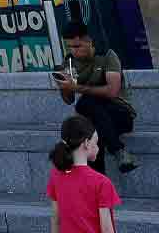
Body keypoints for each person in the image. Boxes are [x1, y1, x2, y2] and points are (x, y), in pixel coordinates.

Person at [54, 24, 138, 174]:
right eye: (69, 47)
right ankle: (118, 153)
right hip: (97, 120)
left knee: (86, 103)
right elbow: (69, 100)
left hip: (120, 114)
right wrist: (64, 86)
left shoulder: (107, 56)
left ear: (89, 41)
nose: (74, 51)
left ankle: (97, 183)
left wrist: (77, 88)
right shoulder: (70, 62)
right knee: (91, 135)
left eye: (77, 46)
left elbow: (112, 91)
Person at [47, 113, 122, 233]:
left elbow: (56, 218)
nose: (97, 147)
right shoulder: (102, 183)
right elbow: (107, 229)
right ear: (86, 143)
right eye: (96, 142)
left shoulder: (56, 175)